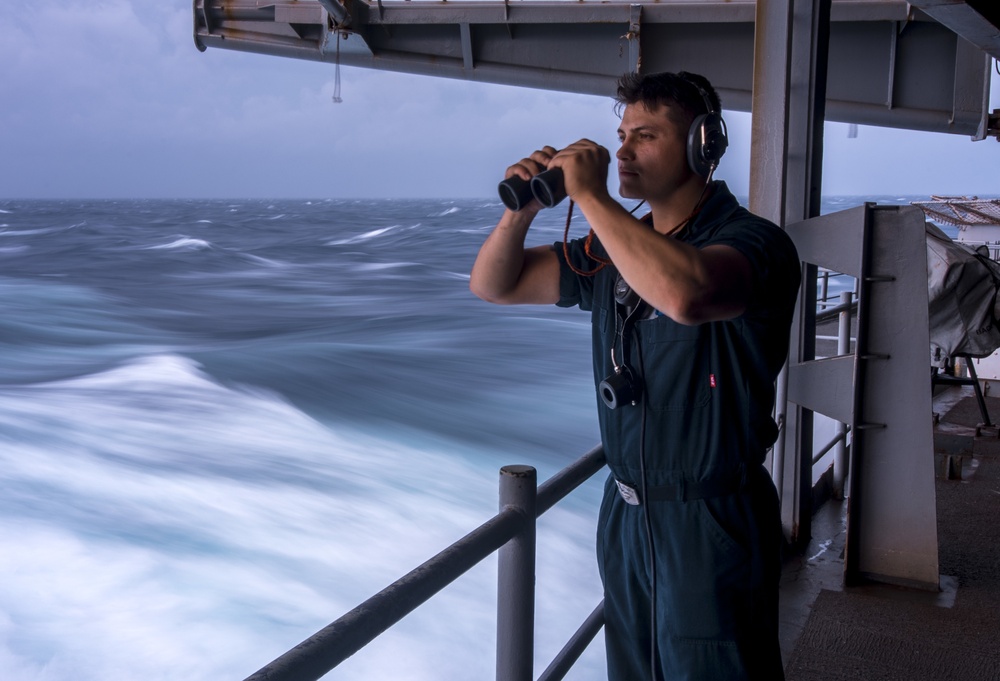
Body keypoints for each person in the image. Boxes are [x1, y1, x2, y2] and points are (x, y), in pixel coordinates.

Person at [470, 70, 800, 680]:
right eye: (621, 135)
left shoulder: (758, 243)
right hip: (625, 513)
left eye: (645, 136)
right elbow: (494, 284)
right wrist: (524, 210)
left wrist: (592, 197)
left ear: (704, 144)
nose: (622, 151)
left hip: (712, 517)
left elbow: (686, 293)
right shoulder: (611, 253)